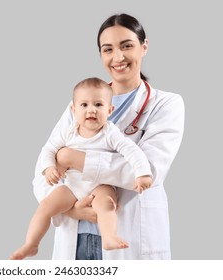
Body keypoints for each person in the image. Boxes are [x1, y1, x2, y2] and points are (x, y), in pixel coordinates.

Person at [32, 13, 185, 260]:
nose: (118, 57)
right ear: (101, 55)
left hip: (129, 239)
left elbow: (149, 171)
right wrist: (69, 209)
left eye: (127, 46)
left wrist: (71, 157)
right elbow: (43, 170)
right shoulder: (82, 102)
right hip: (77, 239)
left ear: (144, 46)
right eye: (108, 49)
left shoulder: (166, 104)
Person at [10, 77, 152, 260]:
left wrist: (142, 173)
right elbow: (48, 150)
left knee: (107, 204)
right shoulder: (69, 131)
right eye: (84, 105)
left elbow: (132, 150)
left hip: (100, 185)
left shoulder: (110, 133)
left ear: (109, 110)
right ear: (73, 110)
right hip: (73, 186)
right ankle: (31, 244)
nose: (91, 109)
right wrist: (49, 168)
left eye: (98, 105)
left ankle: (108, 237)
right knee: (46, 205)